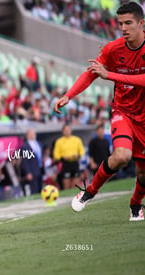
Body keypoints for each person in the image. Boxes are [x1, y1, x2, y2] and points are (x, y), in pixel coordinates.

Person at [54, 2, 145, 220]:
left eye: (128, 23)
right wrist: (69, 95)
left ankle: (135, 205)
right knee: (122, 156)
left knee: (143, 174)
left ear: (142, 23)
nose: (123, 28)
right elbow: (92, 72)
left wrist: (110, 75)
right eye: (120, 23)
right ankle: (89, 192)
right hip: (122, 111)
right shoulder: (113, 49)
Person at [52, 124, 85, 190]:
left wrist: (78, 155)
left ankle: (76, 198)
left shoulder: (77, 139)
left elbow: (82, 150)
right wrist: (62, 157)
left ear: (71, 130)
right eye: (65, 130)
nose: (67, 131)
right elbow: (56, 154)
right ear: (63, 131)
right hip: (65, 164)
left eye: (68, 130)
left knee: (76, 185)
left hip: (75, 163)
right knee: (66, 185)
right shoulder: (59, 141)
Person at [20, 129, 43, 195]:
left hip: (40, 168)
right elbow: (25, 161)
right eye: (31, 134)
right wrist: (28, 172)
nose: (33, 135)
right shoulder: (25, 146)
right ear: (27, 136)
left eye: (34, 134)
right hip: (32, 171)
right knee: (34, 189)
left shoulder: (38, 143)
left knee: (41, 187)